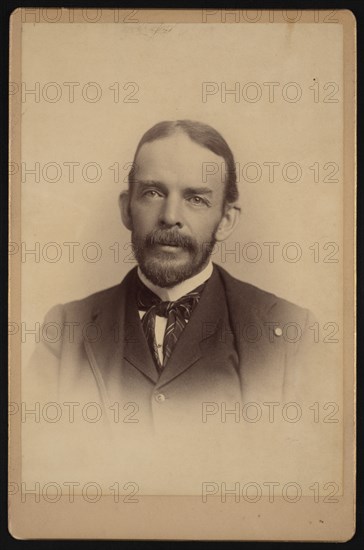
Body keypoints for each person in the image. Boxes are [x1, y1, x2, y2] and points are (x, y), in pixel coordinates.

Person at [27, 120, 315, 427]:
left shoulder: (290, 333)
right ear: (127, 209)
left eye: (196, 199)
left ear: (226, 220)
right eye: (152, 193)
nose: (170, 217)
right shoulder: (65, 330)